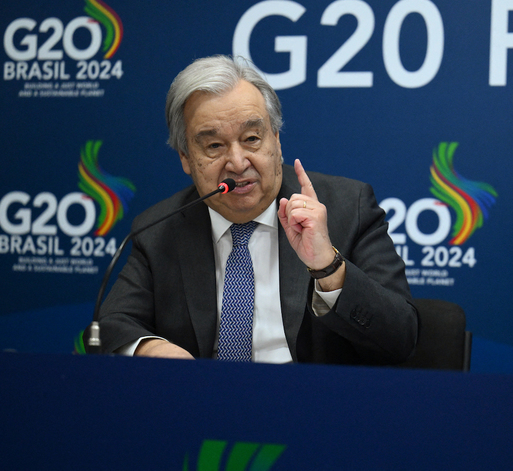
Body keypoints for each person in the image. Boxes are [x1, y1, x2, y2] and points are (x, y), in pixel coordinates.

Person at [93, 55, 418, 365]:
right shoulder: (159, 230)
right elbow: (113, 323)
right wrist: (151, 349)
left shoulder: (347, 208)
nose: (237, 162)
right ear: (185, 158)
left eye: (251, 138)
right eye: (214, 146)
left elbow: (402, 338)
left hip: (313, 409)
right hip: (203, 407)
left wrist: (329, 269)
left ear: (276, 141)